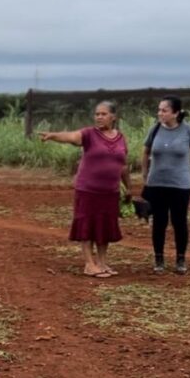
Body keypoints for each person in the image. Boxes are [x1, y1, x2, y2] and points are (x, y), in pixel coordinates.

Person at [40, 101, 132, 278]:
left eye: (103, 114)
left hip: (110, 192)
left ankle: (102, 262)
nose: (99, 117)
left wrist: (128, 188)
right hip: (88, 190)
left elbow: (123, 166)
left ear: (113, 117)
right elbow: (71, 137)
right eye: (97, 114)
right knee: (87, 226)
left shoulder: (121, 138)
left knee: (105, 227)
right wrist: (53, 135)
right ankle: (89, 264)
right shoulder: (89, 134)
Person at [141, 95, 190, 274]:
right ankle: (159, 259)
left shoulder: (188, 130)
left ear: (175, 113)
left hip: (180, 185)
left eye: (164, 110)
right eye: (159, 110)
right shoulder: (154, 130)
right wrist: (145, 176)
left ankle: (180, 259)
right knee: (159, 222)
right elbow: (145, 153)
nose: (160, 113)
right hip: (156, 184)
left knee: (179, 222)